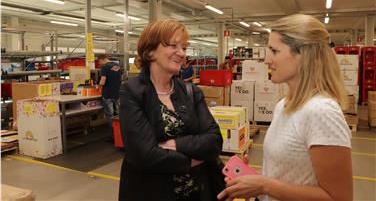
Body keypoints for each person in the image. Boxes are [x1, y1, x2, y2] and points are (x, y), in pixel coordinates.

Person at [218, 14, 353, 201]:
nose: (266, 60)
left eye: (274, 51)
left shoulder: (322, 112)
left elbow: (339, 198)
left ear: (303, 55)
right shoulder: (284, 105)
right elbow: (288, 177)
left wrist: (265, 185)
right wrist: (255, 182)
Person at [118, 19, 224, 201]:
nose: (182, 53)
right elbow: (144, 156)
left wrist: (175, 145)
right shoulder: (132, 92)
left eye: (183, 47)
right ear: (150, 51)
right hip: (151, 193)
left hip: (197, 193)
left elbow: (214, 140)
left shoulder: (192, 92)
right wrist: (194, 160)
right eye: (173, 45)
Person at [98, 54, 122, 126]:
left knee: (110, 114)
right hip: (117, 93)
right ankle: (119, 131)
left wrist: (99, 87)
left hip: (108, 94)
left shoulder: (104, 67)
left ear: (101, 59)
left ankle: (112, 132)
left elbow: (103, 81)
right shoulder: (117, 65)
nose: (99, 64)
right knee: (117, 113)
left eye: (99, 62)